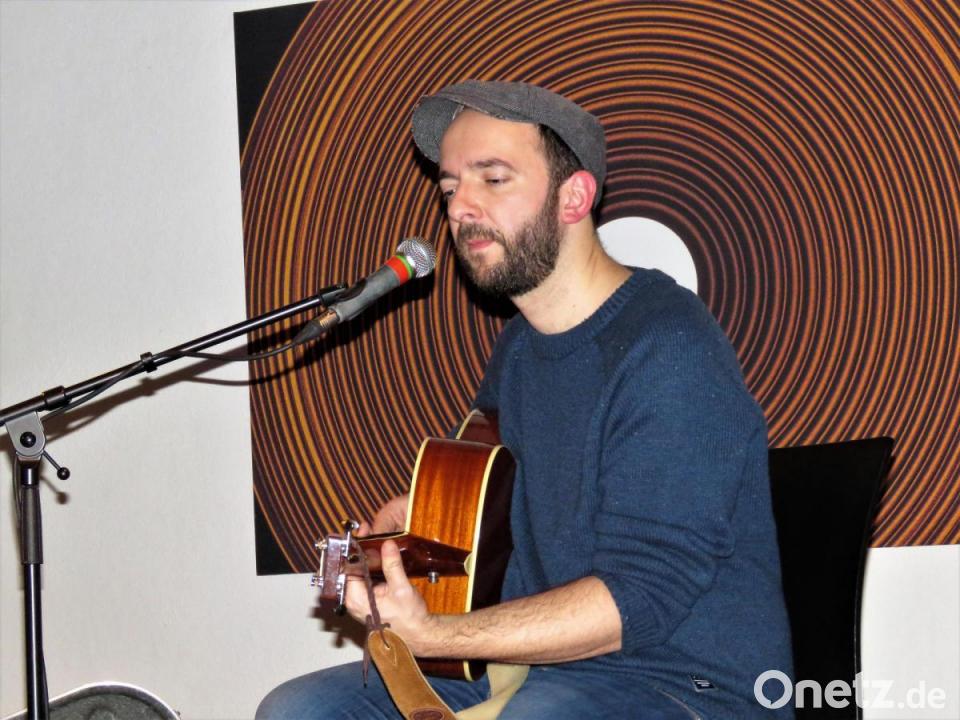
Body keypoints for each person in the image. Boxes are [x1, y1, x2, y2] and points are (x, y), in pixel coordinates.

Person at [257, 80, 793, 719]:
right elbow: (499, 505)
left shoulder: (669, 346)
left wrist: (436, 635)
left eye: (493, 179)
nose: (461, 207)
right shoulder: (518, 347)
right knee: (298, 710)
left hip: (680, 685)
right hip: (534, 673)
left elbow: (642, 597)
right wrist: (423, 527)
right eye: (451, 188)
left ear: (575, 197)